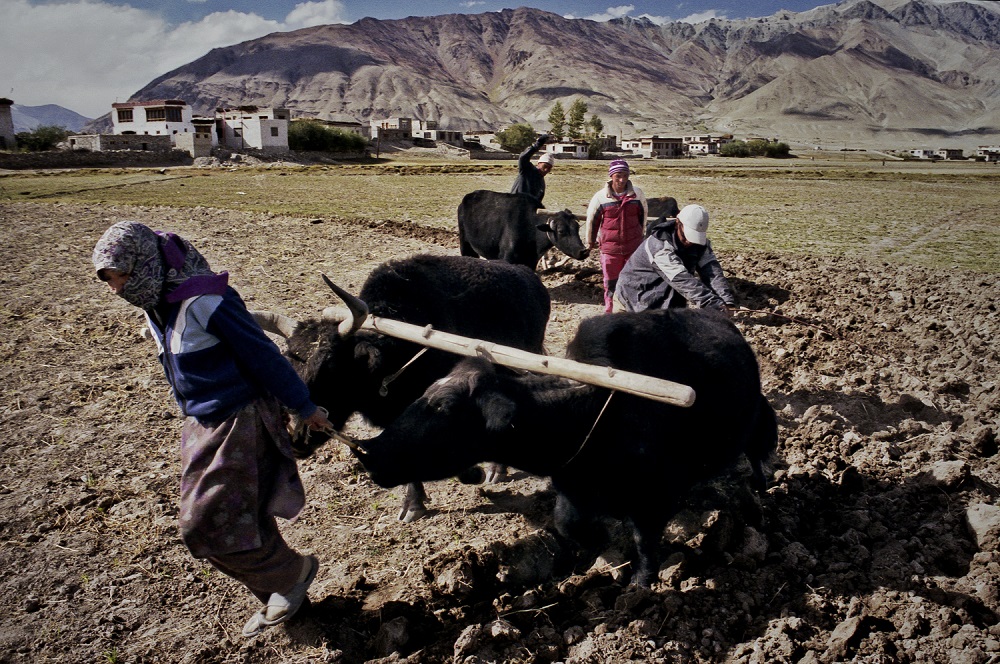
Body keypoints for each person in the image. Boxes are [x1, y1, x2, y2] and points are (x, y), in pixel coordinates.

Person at [92, 221, 332, 639]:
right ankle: (282, 592)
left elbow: (264, 357)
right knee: (238, 516)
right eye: (111, 282)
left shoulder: (209, 302)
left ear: (147, 265)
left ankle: (292, 574)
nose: (118, 290)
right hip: (201, 422)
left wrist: (304, 406)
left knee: (201, 524)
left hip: (240, 418)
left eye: (123, 277)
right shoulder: (157, 307)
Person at [612, 204, 737, 315]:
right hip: (634, 300)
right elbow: (681, 279)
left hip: (665, 305)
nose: (689, 242)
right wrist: (713, 304)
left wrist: (726, 300)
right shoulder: (659, 245)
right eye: (687, 236)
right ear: (678, 223)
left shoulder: (701, 245)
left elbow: (712, 272)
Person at [585, 159, 648, 312]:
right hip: (610, 249)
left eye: (625, 176)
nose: (622, 180)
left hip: (632, 247)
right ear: (611, 176)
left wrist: (641, 235)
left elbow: (643, 216)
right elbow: (592, 221)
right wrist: (590, 242)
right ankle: (610, 311)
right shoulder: (601, 197)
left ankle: (630, 311)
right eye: (618, 176)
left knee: (633, 280)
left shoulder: (637, 194)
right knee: (610, 282)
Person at [510, 133, 553, 207]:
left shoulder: (541, 183)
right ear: (539, 163)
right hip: (514, 207)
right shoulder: (527, 170)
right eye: (545, 166)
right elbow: (523, 158)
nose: (546, 170)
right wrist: (537, 145)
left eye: (549, 168)